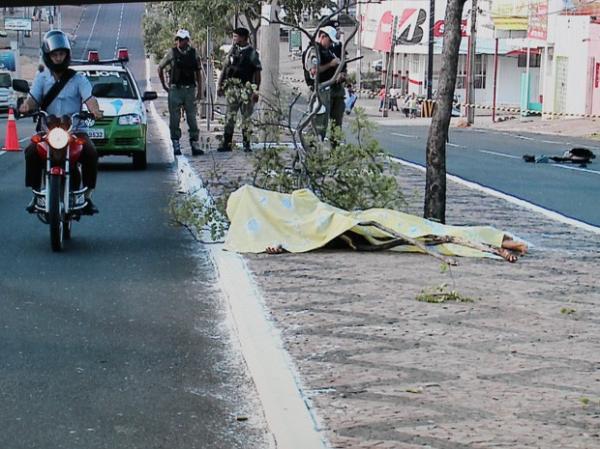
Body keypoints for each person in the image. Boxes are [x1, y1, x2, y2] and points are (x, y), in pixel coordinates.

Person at [19, 29, 102, 215]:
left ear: (67, 54)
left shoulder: (78, 79)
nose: (58, 58)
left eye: (61, 54)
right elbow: (32, 99)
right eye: (54, 54)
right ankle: (35, 193)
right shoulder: (42, 78)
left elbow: (89, 98)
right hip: (47, 131)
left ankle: (87, 196)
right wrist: (25, 106)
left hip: (74, 130)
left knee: (90, 152)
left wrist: (95, 110)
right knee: (31, 151)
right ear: (48, 56)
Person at [158, 29, 203, 156]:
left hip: (189, 89)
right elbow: (160, 67)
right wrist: (165, 86)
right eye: (178, 39)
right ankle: (176, 144)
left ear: (187, 40)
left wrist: (200, 90)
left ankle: (194, 143)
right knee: (175, 118)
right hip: (176, 89)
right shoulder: (172, 53)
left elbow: (198, 72)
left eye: (182, 39)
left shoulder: (194, 53)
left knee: (192, 118)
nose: (179, 42)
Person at [217, 27, 262, 152]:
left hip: (246, 90)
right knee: (229, 117)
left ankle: (246, 143)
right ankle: (227, 143)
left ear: (243, 38)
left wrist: (256, 91)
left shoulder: (252, 53)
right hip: (232, 90)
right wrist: (220, 85)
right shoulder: (233, 50)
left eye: (236, 36)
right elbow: (225, 68)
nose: (234, 39)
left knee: (246, 118)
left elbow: (257, 73)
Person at [304, 26, 340, 140]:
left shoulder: (325, 51)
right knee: (316, 126)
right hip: (318, 92)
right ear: (323, 36)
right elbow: (314, 71)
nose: (330, 44)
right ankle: (310, 152)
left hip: (325, 91)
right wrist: (330, 64)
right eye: (329, 41)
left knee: (322, 126)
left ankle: (315, 152)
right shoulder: (314, 51)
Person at [323, 20, 347, 130]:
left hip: (337, 90)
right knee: (320, 124)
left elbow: (344, 66)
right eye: (336, 30)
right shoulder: (320, 48)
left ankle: (336, 146)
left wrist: (342, 75)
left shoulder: (340, 47)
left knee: (336, 125)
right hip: (324, 89)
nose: (338, 33)